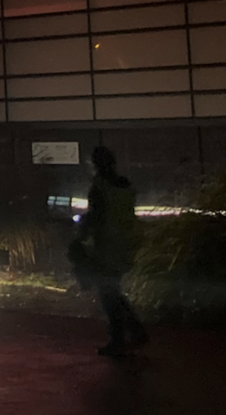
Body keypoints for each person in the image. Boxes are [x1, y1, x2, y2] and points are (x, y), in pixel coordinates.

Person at [70, 146, 147, 357]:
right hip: (126, 243)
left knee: (108, 293)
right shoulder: (125, 185)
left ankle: (119, 339)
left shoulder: (99, 187)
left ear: (94, 165)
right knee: (113, 289)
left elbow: (96, 217)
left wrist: (79, 239)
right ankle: (134, 331)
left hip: (106, 245)